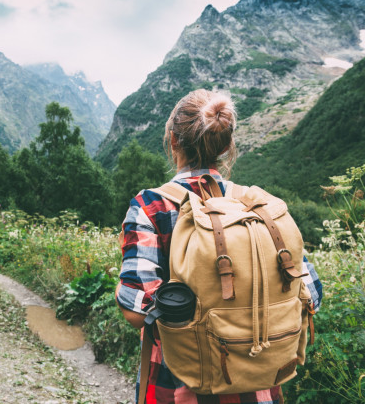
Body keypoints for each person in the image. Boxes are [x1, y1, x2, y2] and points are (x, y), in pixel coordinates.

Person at [116, 89, 322, 404]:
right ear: (226, 146)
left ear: (173, 141)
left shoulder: (152, 206)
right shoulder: (257, 207)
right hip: (260, 387)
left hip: (178, 386)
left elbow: (134, 309)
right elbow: (312, 295)